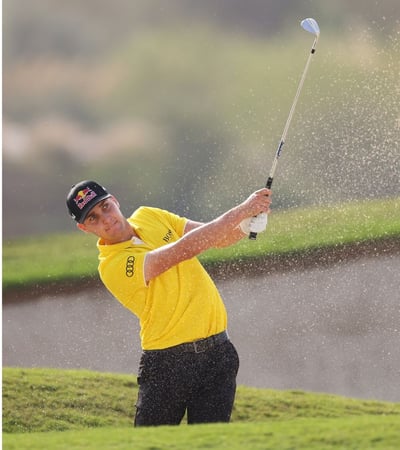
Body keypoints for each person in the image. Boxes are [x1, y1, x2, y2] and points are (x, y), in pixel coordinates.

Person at [66, 180, 271, 426]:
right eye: (93, 218)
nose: (106, 219)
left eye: (105, 207)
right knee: (153, 443)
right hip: (168, 365)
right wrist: (242, 210)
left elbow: (215, 237)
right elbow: (184, 249)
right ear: (84, 228)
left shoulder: (149, 215)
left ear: (115, 201)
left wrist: (246, 226)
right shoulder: (112, 265)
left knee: (211, 442)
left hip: (219, 353)